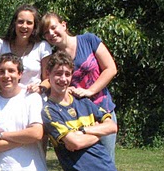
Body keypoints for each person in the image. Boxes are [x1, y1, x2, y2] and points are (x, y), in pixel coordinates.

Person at [41, 12, 118, 159]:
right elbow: (53, 84)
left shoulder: (88, 40)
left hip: (103, 110)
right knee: (85, 162)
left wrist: (90, 91)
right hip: (78, 118)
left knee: (106, 160)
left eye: (53, 27)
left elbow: (111, 68)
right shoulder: (54, 58)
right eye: (46, 32)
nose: (51, 33)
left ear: (63, 25)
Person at [0, 4, 52, 92]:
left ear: (34, 26)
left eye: (29, 23)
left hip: (32, 95)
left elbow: (48, 79)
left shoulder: (42, 46)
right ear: (14, 23)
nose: (24, 26)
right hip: (5, 96)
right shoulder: (1, 44)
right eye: (20, 22)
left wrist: (40, 88)